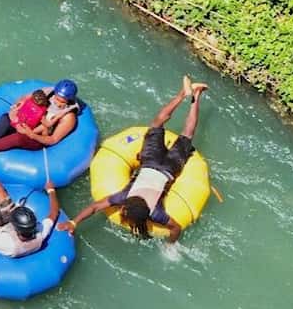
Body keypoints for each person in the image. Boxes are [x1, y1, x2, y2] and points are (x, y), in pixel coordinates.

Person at [60, 76, 209, 242]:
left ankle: (194, 95)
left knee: (184, 133)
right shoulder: (134, 201)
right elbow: (176, 228)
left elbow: (95, 207)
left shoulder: (155, 213)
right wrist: (171, 245)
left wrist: (74, 222)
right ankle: (186, 94)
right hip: (151, 161)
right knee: (159, 124)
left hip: (168, 168)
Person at [0, 80, 83, 156]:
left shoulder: (68, 117)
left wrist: (31, 134)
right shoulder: (48, 92)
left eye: (62, 102)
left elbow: (52, 139)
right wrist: (15, 110)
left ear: (69, 100)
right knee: (5, 118)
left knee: (19, 137)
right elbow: (24, 99)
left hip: (38, 136)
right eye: (57, 99)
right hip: (27, 122)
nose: (57, 103)